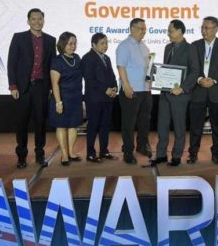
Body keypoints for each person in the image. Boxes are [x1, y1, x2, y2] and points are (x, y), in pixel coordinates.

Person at [7, 8, 56, 168]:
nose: (37, 21)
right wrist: (13, 85)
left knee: (40, 123)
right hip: (22, 88)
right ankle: (21, 156)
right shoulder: (19, 38)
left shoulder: (50, 40)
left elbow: (50, 65)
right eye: (33, 19)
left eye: (40, 19)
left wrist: (50, 87)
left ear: (44, 20)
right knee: (21, 124)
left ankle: (40, 155)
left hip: (41, 88)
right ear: (28, 21)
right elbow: (11, 63)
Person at [150, 19, 200, 166]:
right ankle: (161, 155)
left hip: (180, 95)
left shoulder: (190, 48)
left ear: (179, 31)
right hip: (165, 94)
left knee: (179, 127)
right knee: (162, 126)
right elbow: (167, 70)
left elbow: (195, 71)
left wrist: (182, 88)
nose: (168, 34)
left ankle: (176, 156)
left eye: (170, 31)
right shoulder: (167, 47)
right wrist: (156, 74)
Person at [188, 16, 218, 165]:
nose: (204, 30)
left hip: (217, 91)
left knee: (217, 127)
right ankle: (193, 154)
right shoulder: (194, 45)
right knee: (195, 126)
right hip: (198, 91)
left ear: (216, 29)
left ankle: (216, 154)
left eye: (207, 28)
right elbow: (191, 66)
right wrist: (200, 79)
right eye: (202, 27)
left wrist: (213, 80)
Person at [116, 18, 153, 164]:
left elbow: (147, 68)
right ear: (131, 28)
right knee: (129, 123)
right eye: (139, 28)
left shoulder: (144, 47)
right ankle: (128, 152)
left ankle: (142, 146)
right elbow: (121, 67)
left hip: (145, 90)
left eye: (144, 29)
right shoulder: (124, 46)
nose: (142, 31)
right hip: (131, 89)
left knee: (144, 121)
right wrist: (125, 85)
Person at [81, 33, 118, 163]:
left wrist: (115, 88)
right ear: (93, 45)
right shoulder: (87, 58)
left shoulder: (107, 58)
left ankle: (104, 151)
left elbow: (112, 76)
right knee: (93, 126)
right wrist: (105, 90)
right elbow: (89, 80)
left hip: (108, 99)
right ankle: (90, 153)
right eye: (102, 43)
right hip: (94, 99)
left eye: (106, 43)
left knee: (105, 126)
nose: (105, 46)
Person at [48, 32, 84, 166]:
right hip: (62, 99)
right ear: (63, 44)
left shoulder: (78, 58)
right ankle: (64, 154)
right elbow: (55, 83)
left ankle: (71, 152)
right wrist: (58, 102)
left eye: (74, 43)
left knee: (73, 126)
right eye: (70, 43)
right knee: (62, 126)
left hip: (75, 98)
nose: (73, 46)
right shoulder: (57, 61)